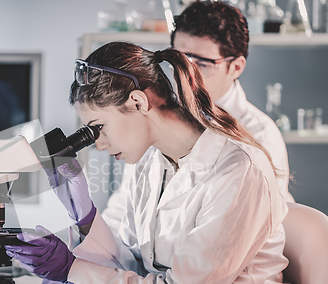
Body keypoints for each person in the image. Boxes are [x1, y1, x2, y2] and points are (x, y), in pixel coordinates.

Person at [6, 42, 299, 284]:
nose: (98, 144)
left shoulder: (238, 171)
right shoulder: (152, 165)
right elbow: (136, 271)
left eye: (99, 127)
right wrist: (86, 217)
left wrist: (72, 268)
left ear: (137, 102)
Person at [102, 1, 293, 239]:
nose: (184, 75)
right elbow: (125, 205)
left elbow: (233, 240)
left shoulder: (258, 136)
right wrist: (90, 254)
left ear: (236, 67)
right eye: (178, 61)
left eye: (201, 64)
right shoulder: (159, 119)